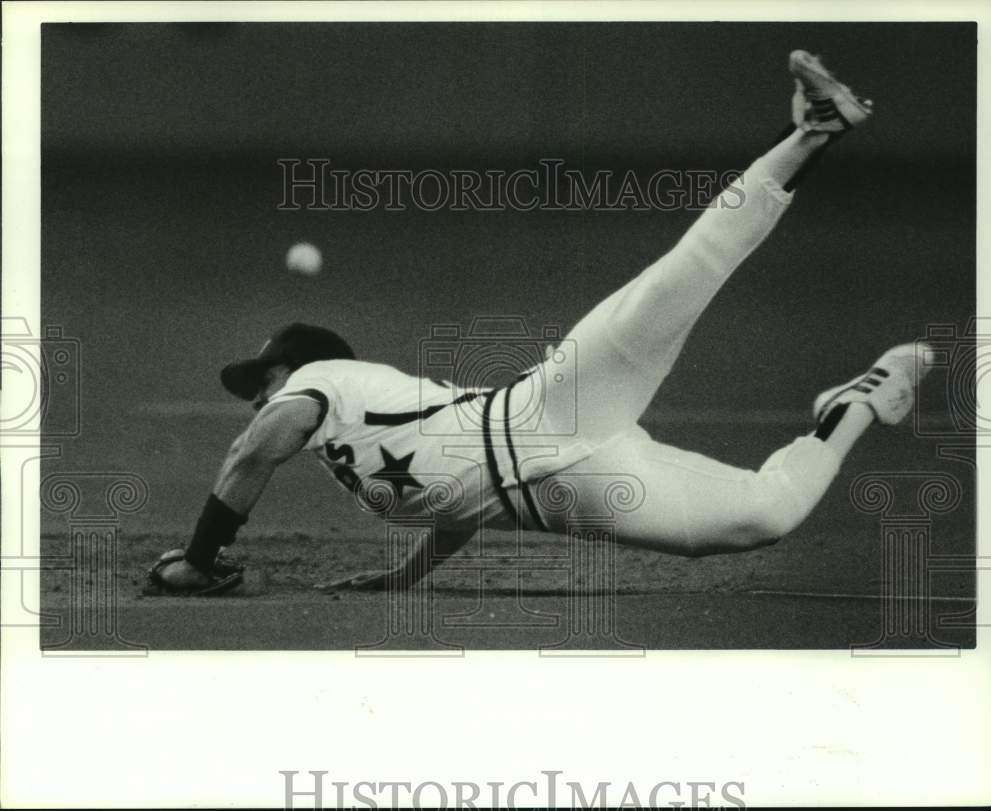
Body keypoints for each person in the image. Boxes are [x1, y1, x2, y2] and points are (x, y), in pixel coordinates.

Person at [148, 50, 932, 596]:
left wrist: (201, 557)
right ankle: (856, 401)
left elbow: (252, 449)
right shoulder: (351, 443)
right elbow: (458, 499)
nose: (256, 395)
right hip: (564, 496)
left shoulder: (321, 385)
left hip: (555, 405)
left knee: (687, 272)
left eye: (262, 378)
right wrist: (406, 576)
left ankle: (813, 130)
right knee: (764, 516)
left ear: (304, 367)